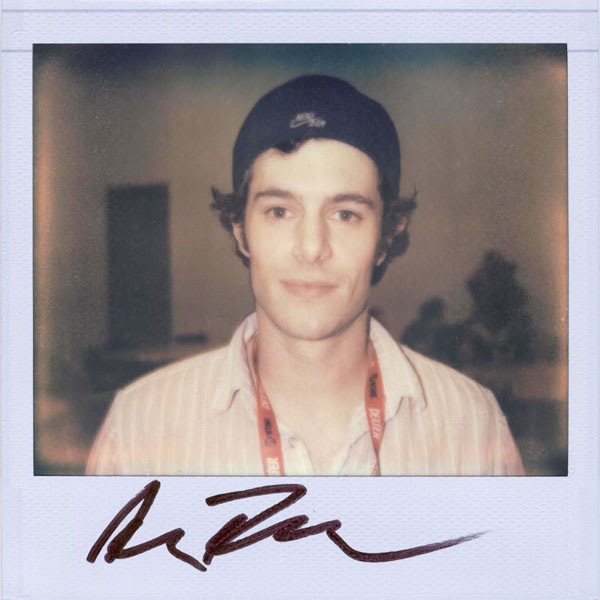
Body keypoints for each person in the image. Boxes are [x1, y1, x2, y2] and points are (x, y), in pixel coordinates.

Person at [86, 74, 524, 476]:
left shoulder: (473, 424)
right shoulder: (138, 428)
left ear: (386, 236)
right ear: (240, 230)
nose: (312, 248)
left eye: (345, 214)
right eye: (280, 211)